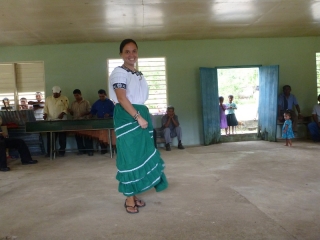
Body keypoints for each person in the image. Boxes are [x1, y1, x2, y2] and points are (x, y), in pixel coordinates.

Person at [109, 39, 168, 214]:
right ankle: (128, 198)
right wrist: (137, 116)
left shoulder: (137, 73)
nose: (131, 55)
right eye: (127, 51)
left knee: (139, 155)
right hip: (129, 116)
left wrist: (142, 116)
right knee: (129, 156)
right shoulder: (119, 72)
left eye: (134, 51)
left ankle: (133, 195)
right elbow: (121, 98)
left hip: (139, 113)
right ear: (121, 54)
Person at [43, 86, 69, 157]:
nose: (55, 95)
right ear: (52, 92)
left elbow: (66, 107)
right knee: (51, 138)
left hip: (61, 121)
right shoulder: (48, 99)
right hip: (51, 121)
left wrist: (63, 113)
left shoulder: (64, 98)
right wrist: (45, 114)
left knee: (62, 138)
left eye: (57, 94)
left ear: (60, 92)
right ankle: (50, 152)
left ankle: (62, 152)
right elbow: (45, 108)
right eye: (54, 94)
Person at [90, 89, 115, 154]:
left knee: (110, 135)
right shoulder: (97, 103)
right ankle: (103, 148)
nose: (101, 98)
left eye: (102, 96)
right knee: (101, 135)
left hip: (109, 121)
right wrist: (91, 115)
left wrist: (109, 114)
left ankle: (112, 148)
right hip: (100, 121)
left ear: (105, 95)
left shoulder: (110, 102)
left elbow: (115, 111)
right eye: (100, 96)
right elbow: (93, 111)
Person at [69, 89, 93, 156]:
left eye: (77, 95)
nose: (76, 97)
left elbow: (90, 111)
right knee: (78, 137)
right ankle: (81, 150)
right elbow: (72, 114)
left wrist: (84, 114)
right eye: (75, 95)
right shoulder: (73, 103)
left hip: (85, 121)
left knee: (87, 137)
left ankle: (89, 151)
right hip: (76, 122)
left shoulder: (86, 102)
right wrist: (70, 112)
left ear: (80, 94)